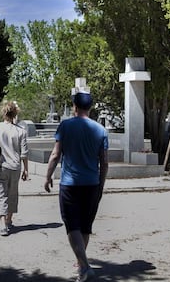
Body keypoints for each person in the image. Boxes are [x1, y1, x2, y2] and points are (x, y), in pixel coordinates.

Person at [45, 91, 108, 282]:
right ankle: (81, 265)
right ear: (90, 108)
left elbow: (56, 154)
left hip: (70, 184)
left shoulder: (65, 126)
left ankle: (84, 265)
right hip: (91, 184)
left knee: (72, 226)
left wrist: (48, 177)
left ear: (75, 107)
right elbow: (104, 163)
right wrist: (101, 186)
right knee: (85, 226)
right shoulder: (100, 130)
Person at [0, 101, 29, 236]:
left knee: (1, 194)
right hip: (16, 167)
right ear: (15, 114)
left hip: (1, 166)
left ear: (3, 113)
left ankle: (3, 225)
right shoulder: (21, 131)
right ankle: (9, 220)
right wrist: (26, 169)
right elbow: (24, 153)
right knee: (12, 194)